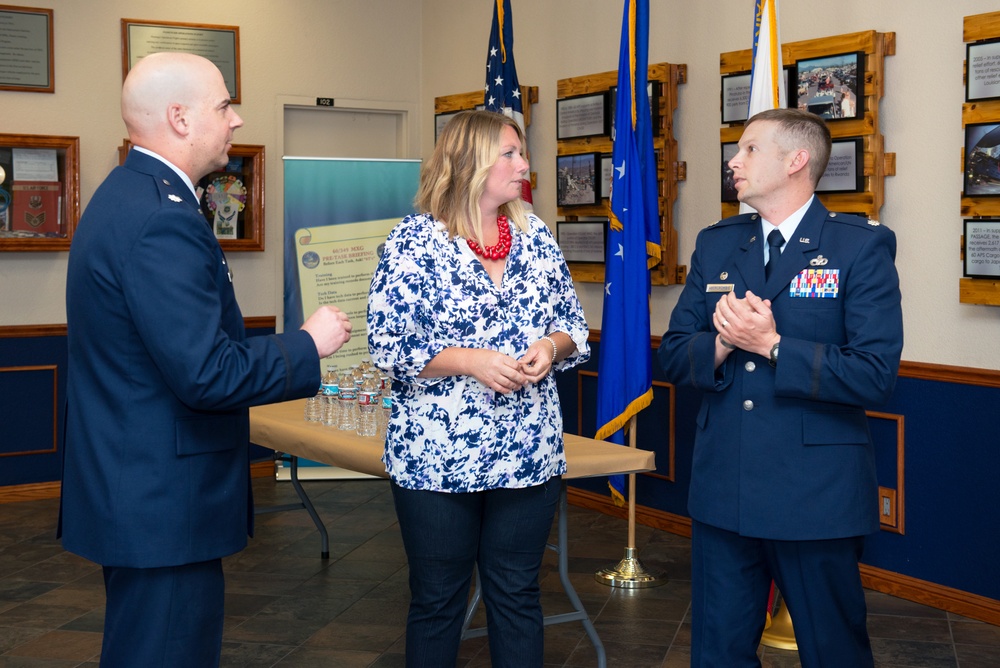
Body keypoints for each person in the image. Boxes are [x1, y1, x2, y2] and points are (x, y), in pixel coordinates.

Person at [60, 52, 352, 667]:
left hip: (142, 490)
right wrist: (308, 344)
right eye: (223, 106)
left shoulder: (133, 195)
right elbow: (206, 373)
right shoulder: (159, 218)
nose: (237, 120)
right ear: (180, 118)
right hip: (162, 502)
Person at [658, 108, 902, 667]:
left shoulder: (857, 247)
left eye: (747, 150)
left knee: (834, 652)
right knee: (718, 654)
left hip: (814, 496)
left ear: (796, 161)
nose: (732, 161)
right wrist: (723, 341)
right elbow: (673, 353)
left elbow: (874, 373)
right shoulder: (718, 244)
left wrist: (771, 345)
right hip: (725, 490)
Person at [367, 110, 590, 668]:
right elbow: (386, 345)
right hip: (436, 459)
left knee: (516, 595)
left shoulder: (535, 233)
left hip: (529, 452)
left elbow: (574, 325)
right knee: (439, 600)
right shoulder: (414, 240)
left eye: (521, 153)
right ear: (469, 162)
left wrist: (551, 347)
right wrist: (469, 361)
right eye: (511, 154)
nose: (525, 165)